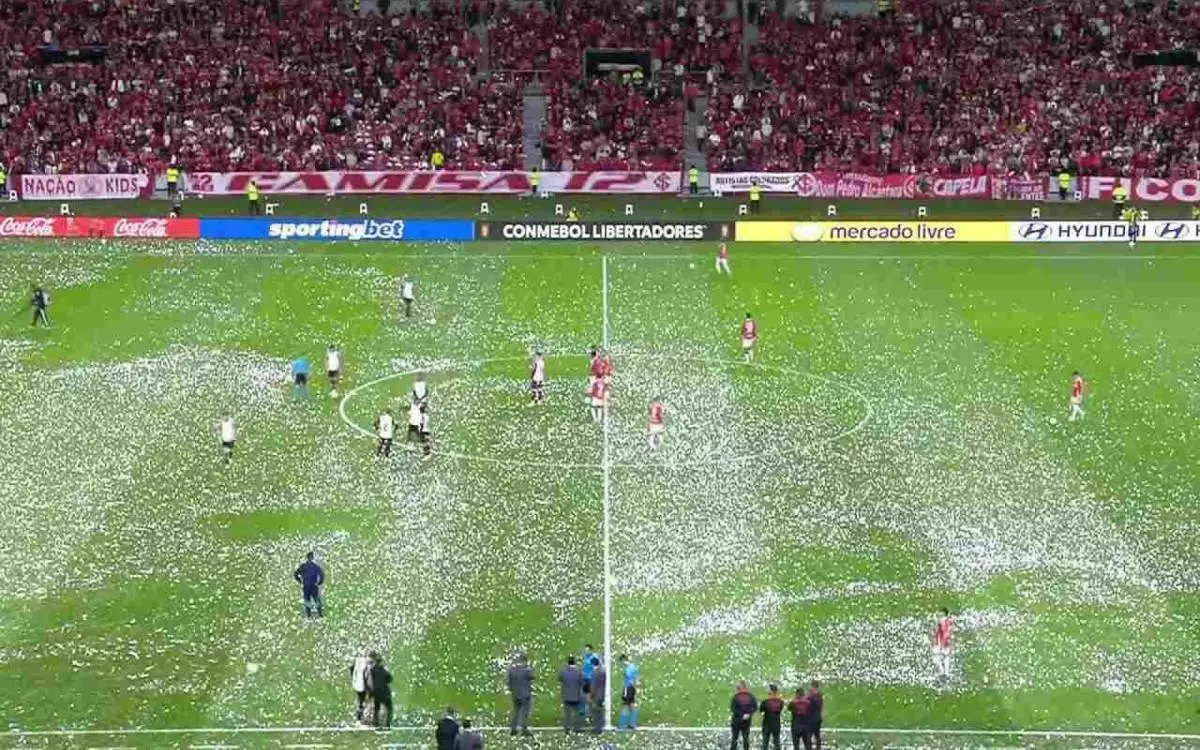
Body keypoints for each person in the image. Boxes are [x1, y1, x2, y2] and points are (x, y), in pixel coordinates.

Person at [507, 653, 534, 736]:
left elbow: (509, 682)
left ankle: (513, 729)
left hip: (515, 694)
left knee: (516, 711)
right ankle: (524, 729)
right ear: (524, 661)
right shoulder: (526, 670)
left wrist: (512, 690)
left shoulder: (512, 670)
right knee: (525, 713)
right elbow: (532, 677)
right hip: (525, 695)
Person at [293, 551, 324, 618]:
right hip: (313, 586)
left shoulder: (303, 566)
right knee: (316, 599)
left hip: (306, 586)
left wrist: (300, 581)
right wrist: (319, 583)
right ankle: (320, 613)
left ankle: (308, 615)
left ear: (307, 557)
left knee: (307, 600)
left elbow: (295, 574)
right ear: (312, 557)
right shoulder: (315, 566)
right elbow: (321, 574)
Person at [559, 655, 585, 733]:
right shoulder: (579, 671)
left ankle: (567, 728)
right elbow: (582, 682)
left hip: (566, 695)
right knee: (576, 713)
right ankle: (577, 728)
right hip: (576, 695)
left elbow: (560, 679)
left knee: (567, 713)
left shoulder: (563, 671)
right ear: (574, 662)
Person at [730, 680, 758, 750]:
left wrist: (741, 715)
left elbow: (733, 709)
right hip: (746, 721)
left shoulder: (736, 697)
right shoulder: (750, 696)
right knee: (745, 738)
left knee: (735, 738)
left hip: (736, 721)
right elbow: (755, 707)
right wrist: (748, 714)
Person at [369, 652, 393, 729]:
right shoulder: (383, 670)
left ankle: (376, 724)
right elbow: (389, 679)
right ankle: (387, 724)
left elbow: (370, 682)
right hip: (385, 692)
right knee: (389, 708)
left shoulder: (372, 670)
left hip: (376, 692)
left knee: (376, 708)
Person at [931, 609, 955, 680]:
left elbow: (942, 634)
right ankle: (946, 673)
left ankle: (942, 672)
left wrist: (940, 645)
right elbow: (949, 634)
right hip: (947, 644)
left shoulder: (941, 622)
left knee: (936, 658)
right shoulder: (950, 622)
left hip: (941, 644)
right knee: (947, 658)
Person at [760, 684, 785, 750]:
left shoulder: (765, 702)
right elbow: (780, 709)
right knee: (776, 742)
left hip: (767, 724)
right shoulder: (780, 702)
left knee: (765, 743)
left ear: (771, 691)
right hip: (776, 724)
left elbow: (761, 710)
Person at [617, 654, 638, 730]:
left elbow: (630, 679)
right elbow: (635, 679)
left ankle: (622, 725)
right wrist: (635, 689)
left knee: (625, 705)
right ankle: (633, 724)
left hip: (628, 688)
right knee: (632, 705)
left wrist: (628, 688)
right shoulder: (634, 667)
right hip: (632, 688)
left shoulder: (628, 669)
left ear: (623, 660)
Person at [351, 649, 372, 723]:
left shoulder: (357, 661)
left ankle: (359, 719)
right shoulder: (367, 663)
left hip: (358, 685)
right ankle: (365, 718)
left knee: (360, 702)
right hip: (364, 685)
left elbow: (351, 669)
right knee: (367, 701)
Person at [589, 655, 606, 734]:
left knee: (596, 713)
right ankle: (599, 727)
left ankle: (597, 728)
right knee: (599, 712)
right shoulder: (602, 671)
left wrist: (591, 695)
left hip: (596, 695)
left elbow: (593, 686)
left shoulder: (594, 673)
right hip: (601, 694)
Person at [803, 681, 823, 750]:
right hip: (817, 718)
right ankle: (818, 748)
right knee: (817, 736)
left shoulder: (810, 696)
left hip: (810, 719)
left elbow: (805, 705)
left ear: (812, 686)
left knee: (808, 736)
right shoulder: (819, 695)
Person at [580, 644, 597, 716]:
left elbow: (595, 667)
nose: (586, 651)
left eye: (587, 650)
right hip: (584, 679)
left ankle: (590, 712)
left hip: (590, 679)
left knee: (588, 697)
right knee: (582, 695)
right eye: (585, 650)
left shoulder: (593, 658)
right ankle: (583, 710)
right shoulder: (585, 657)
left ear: (591, 650)